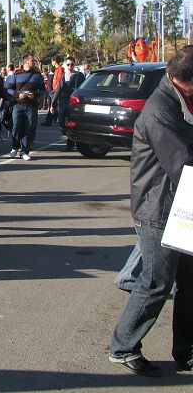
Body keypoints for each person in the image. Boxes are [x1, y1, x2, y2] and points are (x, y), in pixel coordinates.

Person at [108, 46, 193, 376]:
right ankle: (123, 345)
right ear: (182, 80)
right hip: (159, 208)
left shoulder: (181, 99)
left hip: (182, 205)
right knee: (156, 282)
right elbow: (184, 163)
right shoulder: (160, 110)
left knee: (189, 281)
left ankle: (186, 349)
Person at [5, 53, 45, 161]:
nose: (34, 62)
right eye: (32, 60)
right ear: (26, 62)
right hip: (18, 104)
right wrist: (18, 95)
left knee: (29, 127)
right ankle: (15, 147)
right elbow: (9, 89)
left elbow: (43, 90)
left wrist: (35, 95)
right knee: (16, 125)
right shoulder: (16, 73)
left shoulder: (37, 74)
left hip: (32, 105)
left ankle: (24, 151)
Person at [50, 56, 85, 151]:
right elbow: (58, 90)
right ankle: (73, 138)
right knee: (61, 123)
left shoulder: (79, 75)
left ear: (74, 65)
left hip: (74, 103)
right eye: (68, 64)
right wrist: (52, 104)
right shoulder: (63, 76)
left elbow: (83, 89)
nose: (70, 66)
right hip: (63, 102)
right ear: (65, 65)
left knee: (72, 123)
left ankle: (70, 144)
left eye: (72, 64)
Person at [42, 55, 63, 126]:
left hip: (57, 90)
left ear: (55, 61)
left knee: (54, 105)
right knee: (53, 105)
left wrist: (56, 90)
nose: (52, 63)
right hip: (54, 90)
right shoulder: (56, 69)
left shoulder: (60, 69)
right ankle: (49, 120)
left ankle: (50, 120)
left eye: (52, 61)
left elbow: (59, 81)